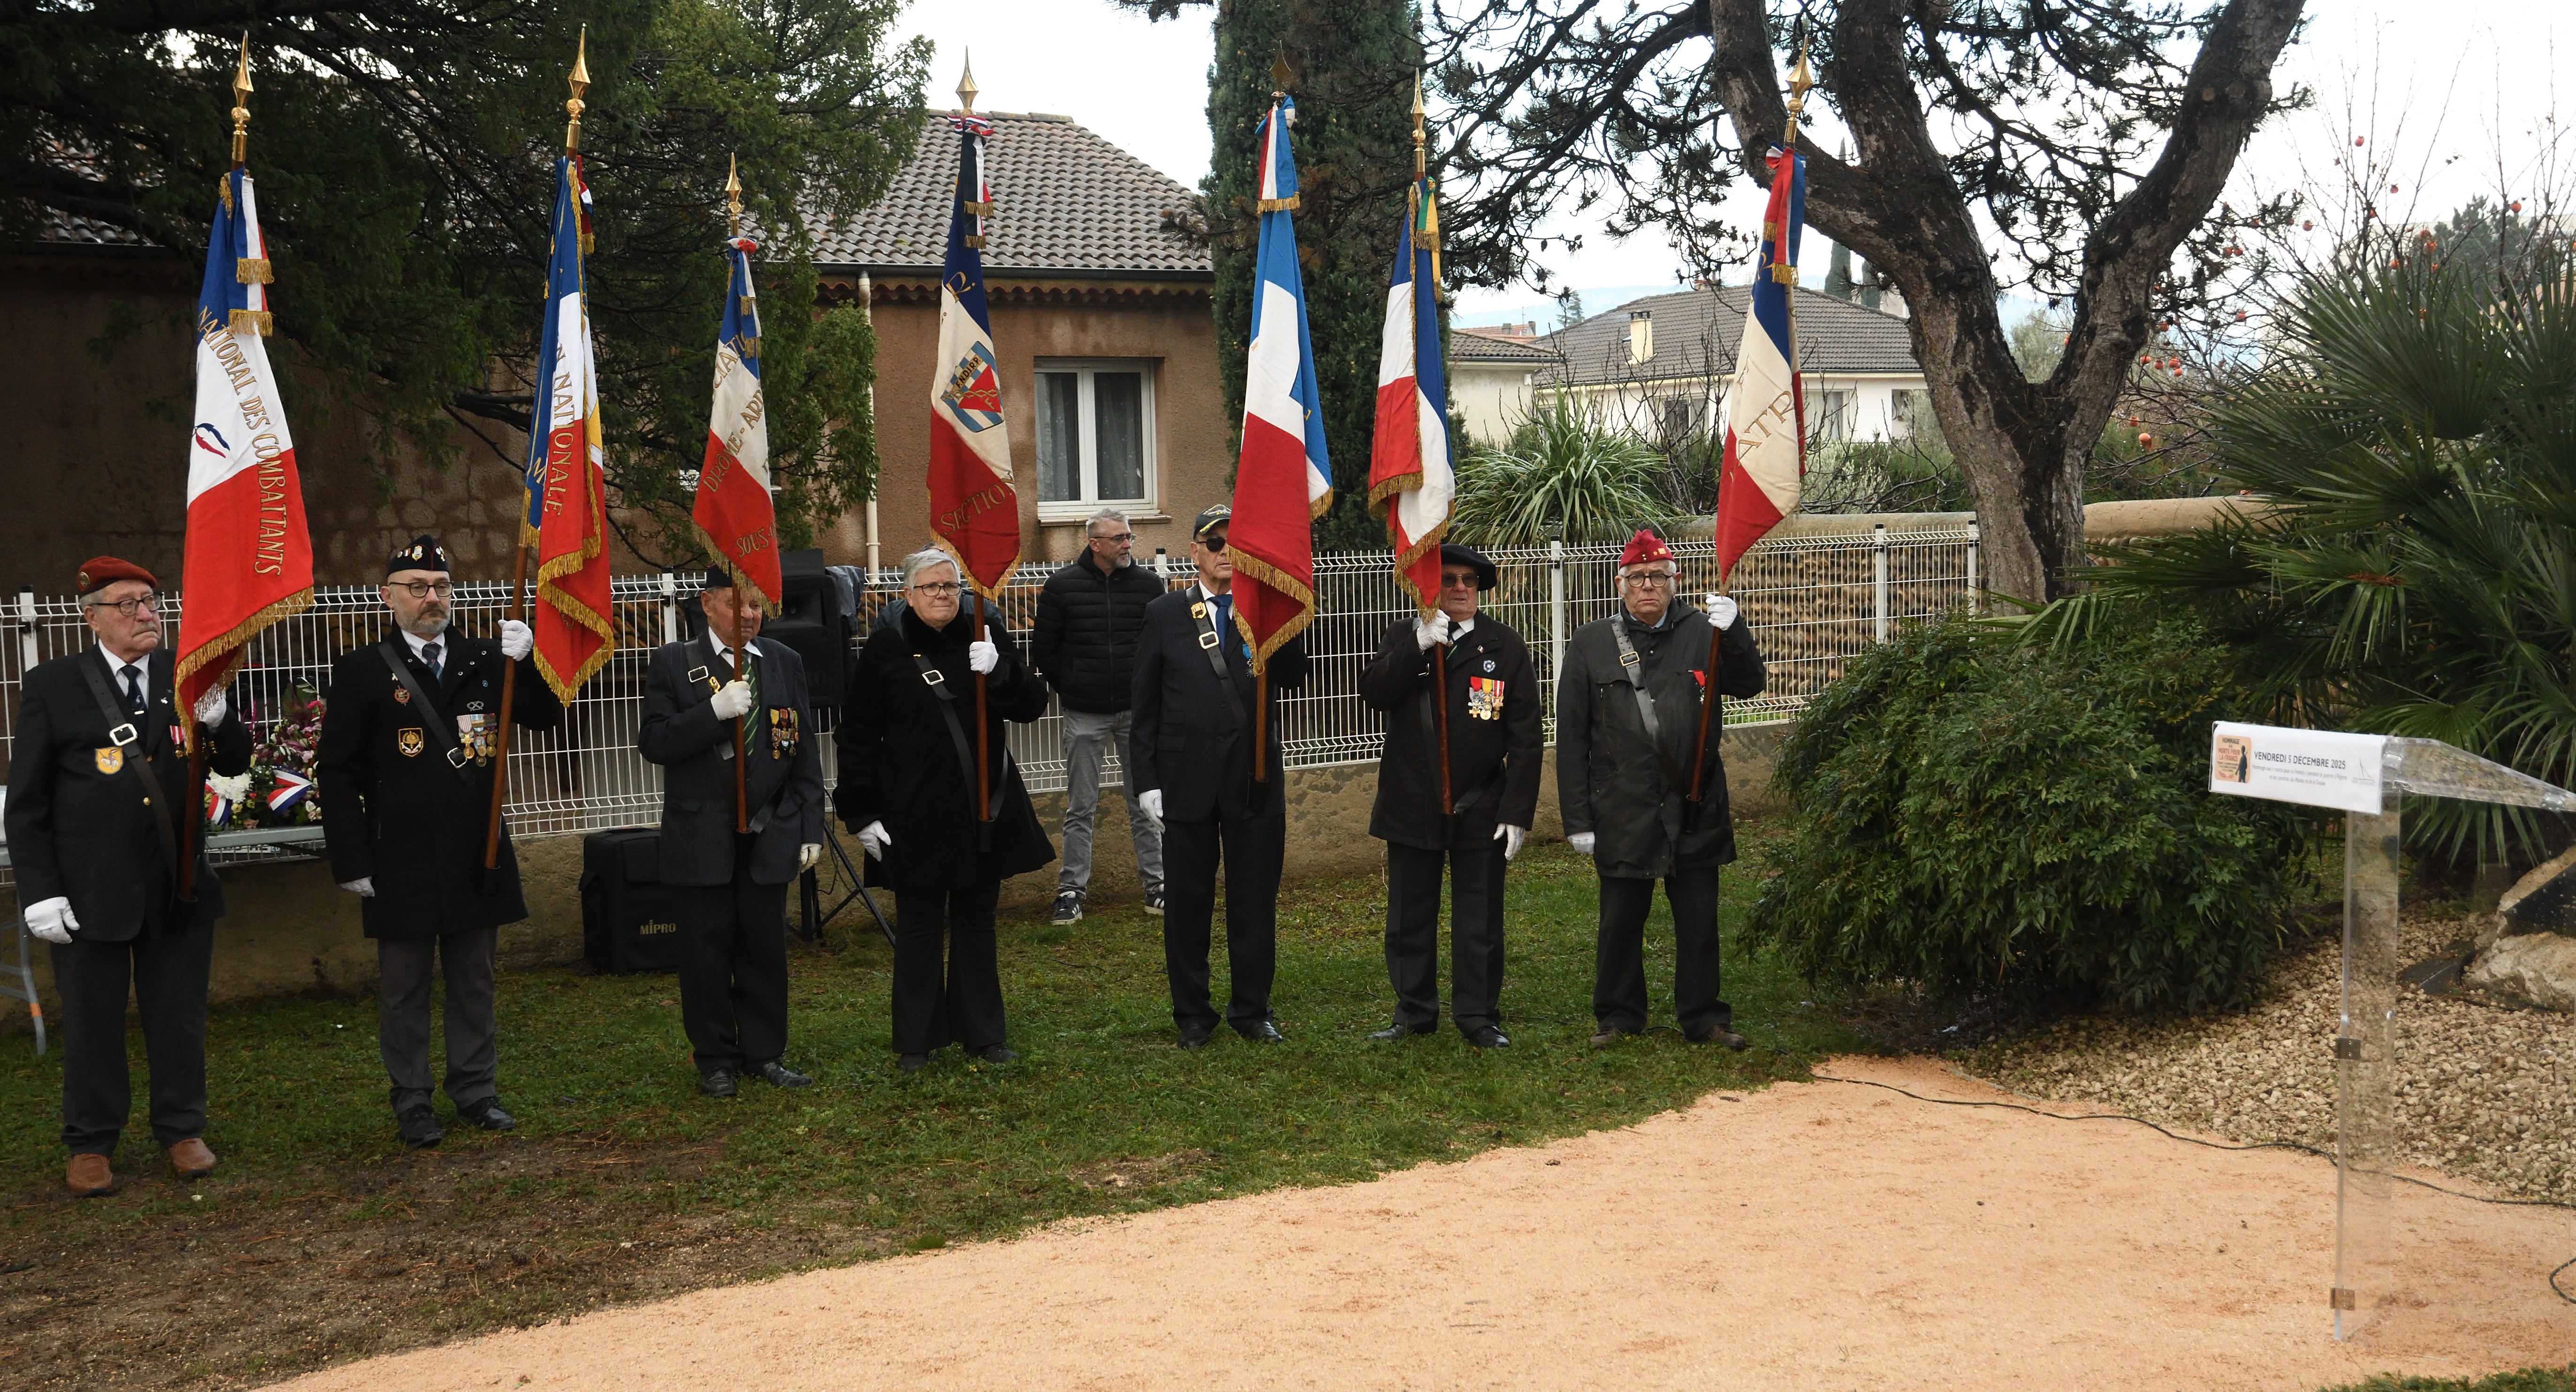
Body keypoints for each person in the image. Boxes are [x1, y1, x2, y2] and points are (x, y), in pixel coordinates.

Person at [5, 556, 252, 1195]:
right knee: (92, 1021)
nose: (147, 614)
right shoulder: (54, 685)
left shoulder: (186, 674)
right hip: (89, 892)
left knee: (178, 1014)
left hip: (176, 883)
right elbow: (27, 801)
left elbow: (232, 761)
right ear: (91, 617)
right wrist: (42, 892)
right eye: (128, 604)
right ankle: (91, 1141)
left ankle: (181, 1128)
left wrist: (223, 719)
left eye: (150, 601)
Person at [318, 535, 564, 1149]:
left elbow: (544, 716)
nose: (433, 598)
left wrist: (527, 661)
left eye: (442, 587)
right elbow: (338, 769)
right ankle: (412, 1099)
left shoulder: (485, 658)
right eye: (418, 587)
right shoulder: (363, 671)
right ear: (387, 597)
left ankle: (476, 1090)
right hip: (397, 855)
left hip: (472, 849)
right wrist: (351, 858)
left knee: (474, 978)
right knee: (404, 986)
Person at [836, 548, 1054, 1072]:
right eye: (931, 588)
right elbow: (858, 735)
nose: (943, 596)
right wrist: (860, 811)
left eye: (952, 587)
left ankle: (984, 1034)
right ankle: (916, 1041)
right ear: (907, 595)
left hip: (983, 805)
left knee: (978, 921)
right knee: (919, 926)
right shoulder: (887, 648)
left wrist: (1000, 669)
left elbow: (1030, 706)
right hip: (913, 811)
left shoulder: (984, 633)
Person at [1557, 529, 1766, 1050]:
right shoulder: (1589, 643)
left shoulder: (1704, 631)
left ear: (1676, 582)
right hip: (1622, 807)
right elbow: (1571, 739)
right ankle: (1619, 1016)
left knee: (1698, 920)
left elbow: (1750, 683)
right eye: (1637, 578)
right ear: (1619, 584)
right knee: (1621, 922)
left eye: (1658, 577)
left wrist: (1735, 630)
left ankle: (1705, 1017)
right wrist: (1578, 820)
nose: (1648, 585)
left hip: (1695, 804)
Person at [637, 565, 826, 1097]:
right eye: (738, 604)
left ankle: (765, 1052)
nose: (749, 615)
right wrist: (712, 713)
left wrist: (811, 823)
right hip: (702, 836)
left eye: (757, 606)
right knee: (705, 952)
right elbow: (654, 742)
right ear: (707, 605)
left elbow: (802, 750)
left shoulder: (784, 663)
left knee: (764, 951)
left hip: (771, 832)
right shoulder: (676, 663)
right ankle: (715, 1057)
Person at [1129, 505, 1310, 1047]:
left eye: (1237, 542)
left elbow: (1296, 677)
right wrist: (1147, 781)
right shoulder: (1164, 613)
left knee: (1254, 901)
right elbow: (1145, 706)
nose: (1226, 550)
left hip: (1254, 780)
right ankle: (1192, 1015)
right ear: (1196, 552)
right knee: (1187, 902)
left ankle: (1252, 1010)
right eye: (1215, 542)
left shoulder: (1266, 612)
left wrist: (1286, 612)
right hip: (1185, 781)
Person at [1356, 544, 1543, 1050]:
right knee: (1409, 916)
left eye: (1469, 581)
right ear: (1429, 585)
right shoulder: (1403, 635)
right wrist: (1417, 645)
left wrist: (1517, 811)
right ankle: (1414, 1011)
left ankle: (1478, 1015)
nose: (1460, 588)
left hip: (1481, 804)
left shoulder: (1504, 646)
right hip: (1411, 800)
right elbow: (1373, 693)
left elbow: (1525, 735)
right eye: (1450, 579)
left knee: (1479, 918)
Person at [1030, 507, 1169, 925]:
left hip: (1138, 713)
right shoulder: (1062, 587)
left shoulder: (1149, 586)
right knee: (1081, 807)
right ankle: (1071, 890)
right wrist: (1073, 686)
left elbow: (1162, 644)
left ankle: (1159, 886)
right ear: (1095, 544)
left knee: (1146, 802)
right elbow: (1045, 649)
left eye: (1130, 537)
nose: (1128, 544)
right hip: (1084, 714)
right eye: (1120, 538)